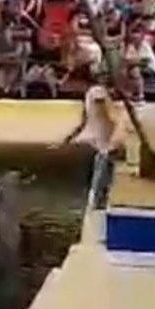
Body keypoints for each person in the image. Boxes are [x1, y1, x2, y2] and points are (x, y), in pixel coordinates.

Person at [58, 71, 127, 211]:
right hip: (103, 142)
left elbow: (87, 120)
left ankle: (97, 200)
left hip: (103, 141)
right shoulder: (95, 94)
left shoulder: (94, 93)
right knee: (102, 174)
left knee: (103, 173)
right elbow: (91, 119)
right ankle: (97, 200)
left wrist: (69, 138)